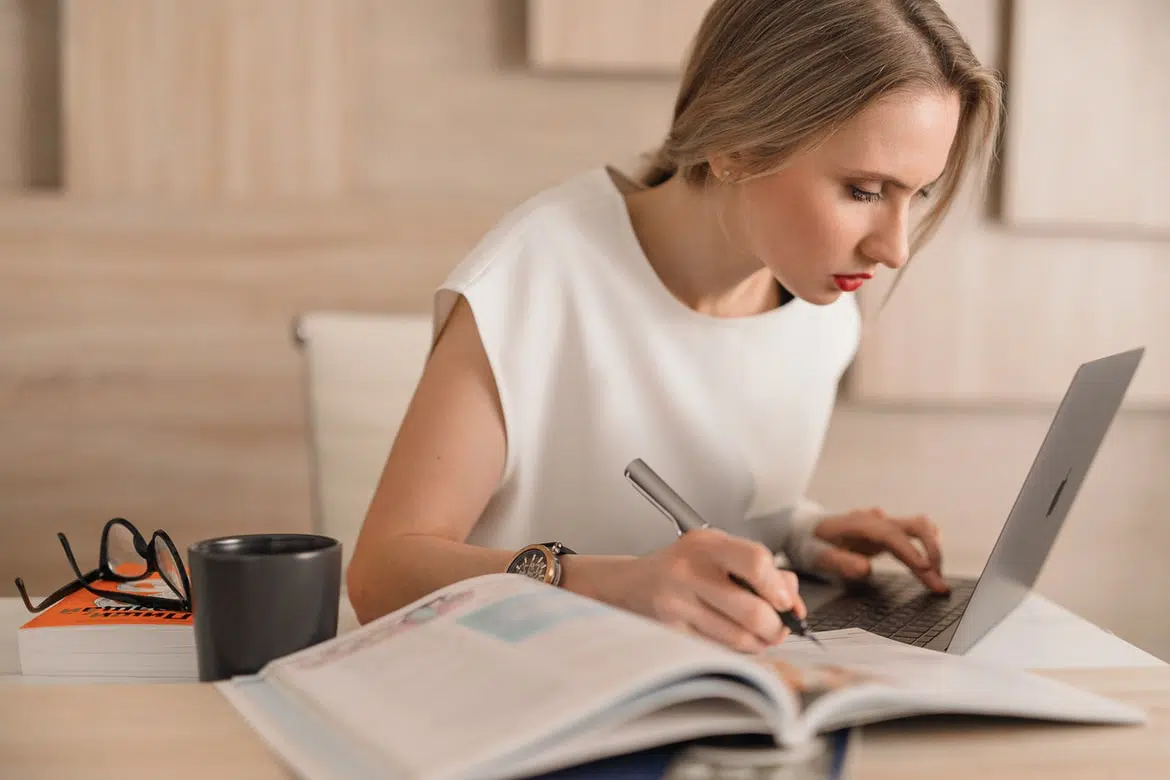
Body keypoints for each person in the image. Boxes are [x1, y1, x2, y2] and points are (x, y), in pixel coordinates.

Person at [346, 0, 1003, 654]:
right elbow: (380, 577)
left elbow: (709, 514)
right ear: (735, 145)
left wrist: (803, 533)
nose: (894, 249)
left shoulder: (821, 315)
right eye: (864, 191)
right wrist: (613, 584)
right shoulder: (536, 277)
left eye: (914, 194)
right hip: (512, 695)